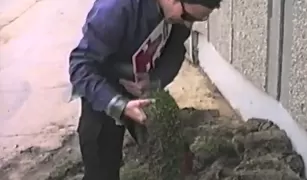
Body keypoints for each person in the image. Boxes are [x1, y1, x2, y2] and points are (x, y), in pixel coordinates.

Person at [68, 0, 222, 179]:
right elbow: (80, 67)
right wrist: (120, 105)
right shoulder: (114, 11)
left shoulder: (181, 13)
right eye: (187, 17)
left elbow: (176, 48)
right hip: (103, 90)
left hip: (142, 87)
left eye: (196, 19)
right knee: (102, 167)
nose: (187, 23)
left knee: (173, 152)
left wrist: (156, 80)